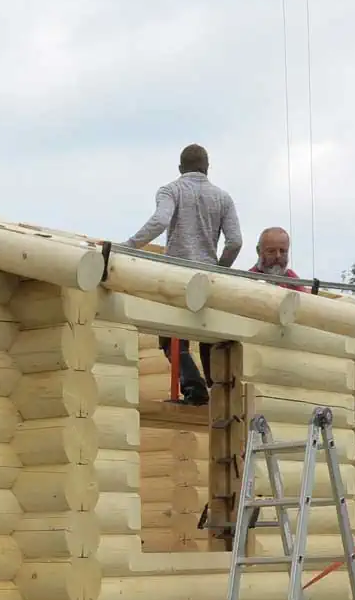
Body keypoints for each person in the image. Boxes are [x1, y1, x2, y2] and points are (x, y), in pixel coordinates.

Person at [122, 143, 242, 405]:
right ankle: (217, 389)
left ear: (180, 168)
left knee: (172, 336)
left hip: (176, 274)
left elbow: (161, 221)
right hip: (209, 276)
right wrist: (220, 268)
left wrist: (128, 246)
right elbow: (235, 241)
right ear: (207, 168)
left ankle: (193, 388)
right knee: (208, 334)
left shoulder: (171, 190)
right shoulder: (223, 198)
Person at [248, 226, 313, 293]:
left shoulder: (292, 280)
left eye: (282, 251)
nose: (278, 256)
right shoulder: (247, 281)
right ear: (259, 251)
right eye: (271, 251)